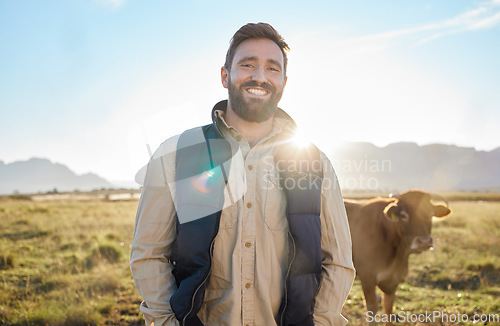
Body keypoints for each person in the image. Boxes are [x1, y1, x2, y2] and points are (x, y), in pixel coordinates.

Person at [130, 22, 355, 326]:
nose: (260, 76)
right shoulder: (179, 153)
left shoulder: (314, 161)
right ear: (225, 76)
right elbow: (149, 255)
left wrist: (322, 322)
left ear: (284, 83)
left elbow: (337, 261)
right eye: (247, 64)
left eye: (272, 68)